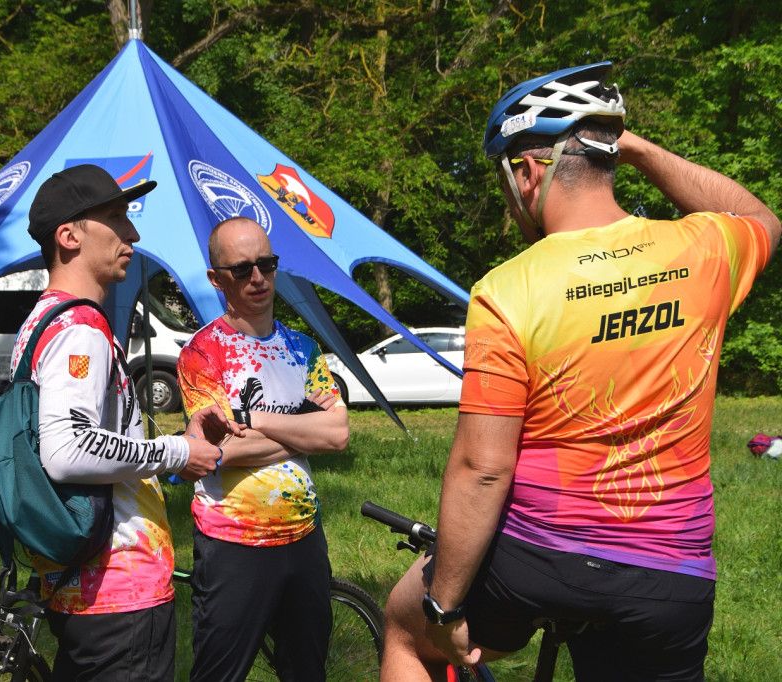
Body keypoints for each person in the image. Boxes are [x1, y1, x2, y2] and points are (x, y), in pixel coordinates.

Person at [381, 62, 781, 681]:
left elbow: (483, 466)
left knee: (406, 632)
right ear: (606, 156)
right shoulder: (704, 250)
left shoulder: (507, 289)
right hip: (669, 573)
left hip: (538, 558)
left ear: (528, 171)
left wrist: (445, 604)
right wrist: (638, 148)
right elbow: (763, 219)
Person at [14, 164, 237, 681]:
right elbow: (68, 451)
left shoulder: (43, 319)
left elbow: (93, 441)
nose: (132, 232)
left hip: (79, 582)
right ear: (69, 237)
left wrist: (180, 444)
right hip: (118, 590)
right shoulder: (80, 329)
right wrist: (178, 452)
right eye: (115, 217)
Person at [176, 217, 350, 682]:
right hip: (233, 542)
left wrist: (254, 421)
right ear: (217, 279)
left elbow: (337, 435)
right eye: (242, 269)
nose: (258, 278)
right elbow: (219, 451)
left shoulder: (303, 349)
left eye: (267, 265)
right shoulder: (202, 353)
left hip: (304, 536)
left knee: (306, 672)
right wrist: (302, 431)